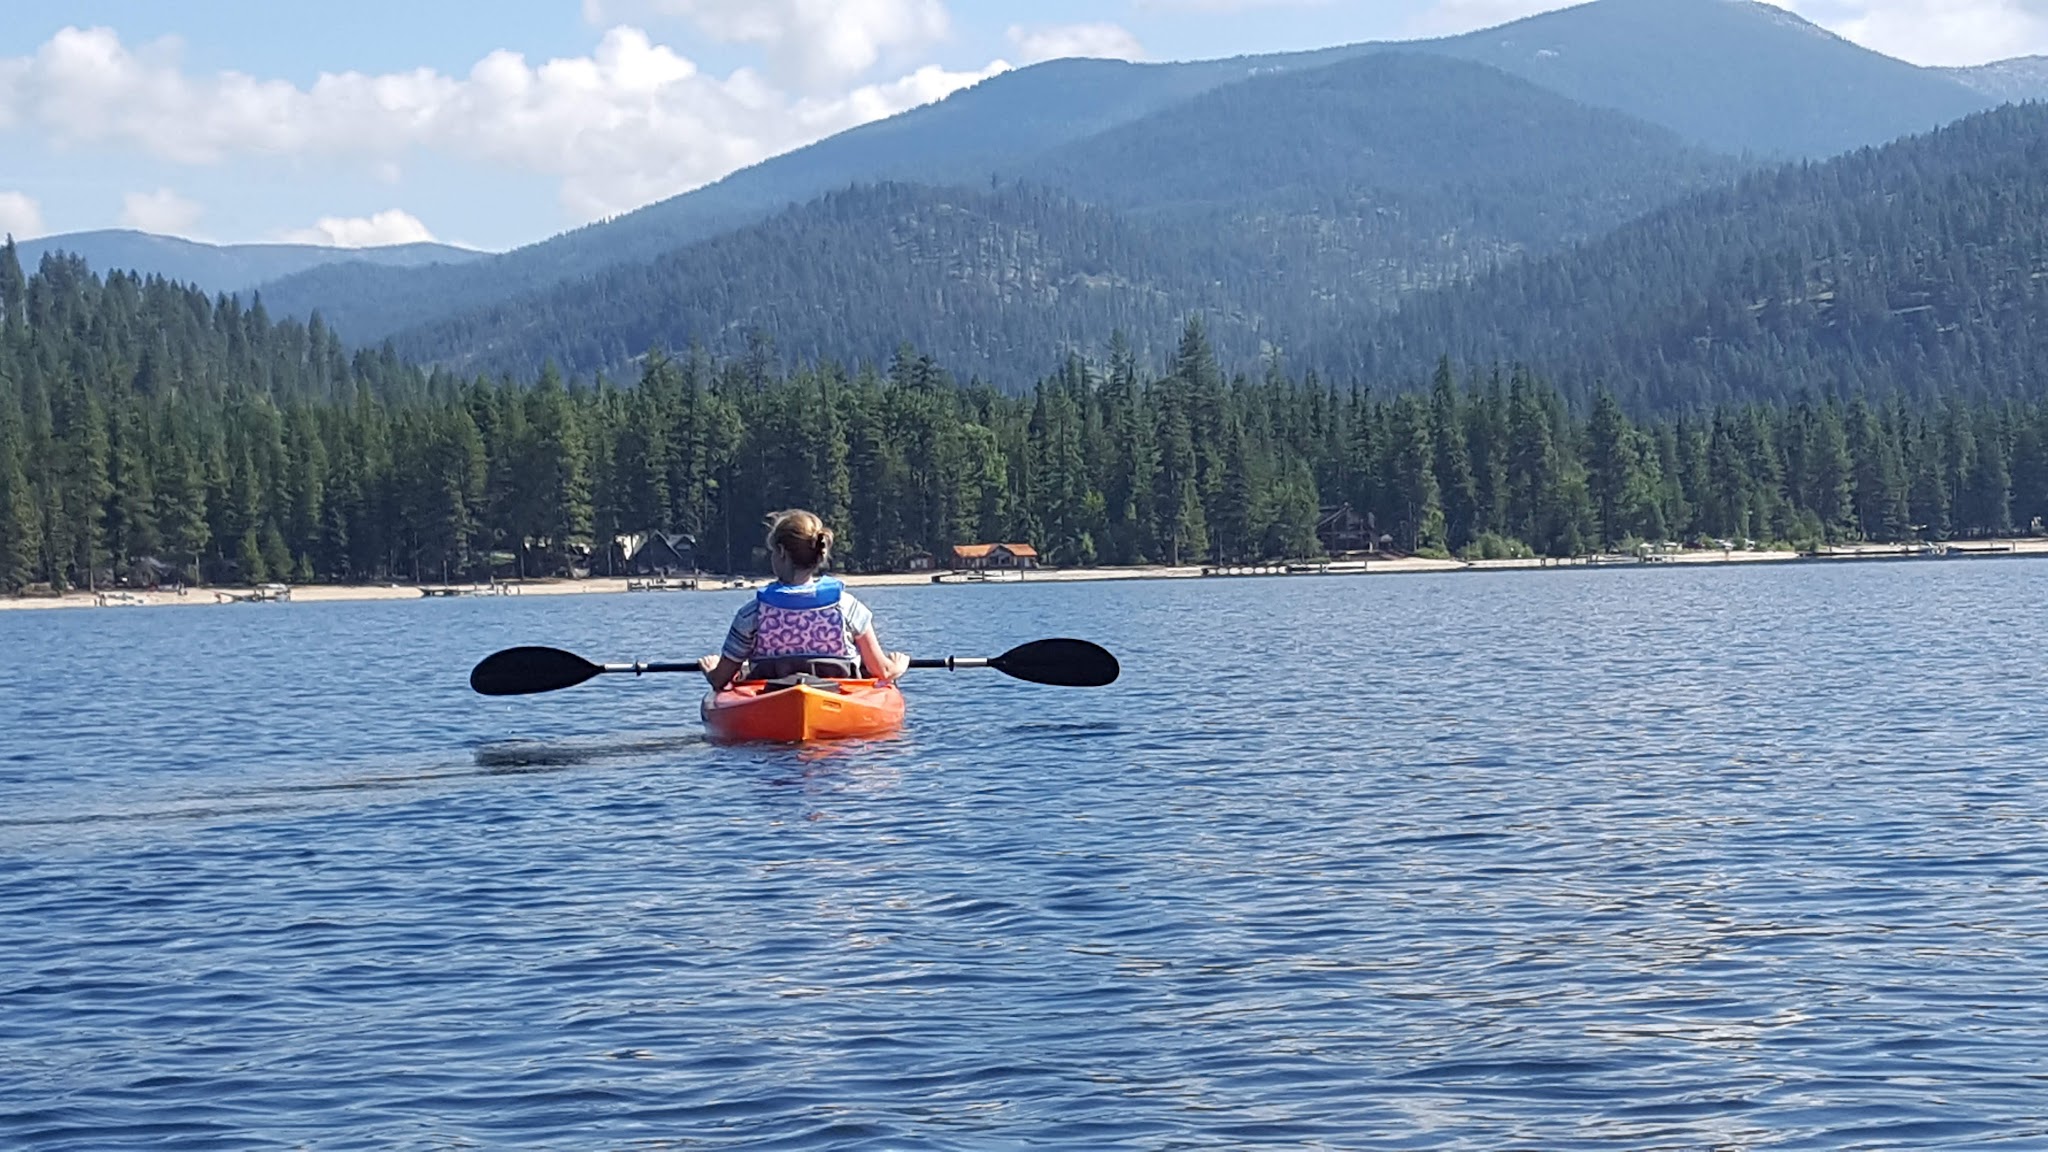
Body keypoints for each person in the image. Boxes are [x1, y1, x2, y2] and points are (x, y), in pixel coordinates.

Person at [700, 510, 911, 691]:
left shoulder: (752, 613)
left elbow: (721, 679)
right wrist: (899, 665)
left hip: (771, 699)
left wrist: (710, 671)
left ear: (781, 552)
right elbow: (882, 671)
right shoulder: (848, 607)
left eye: (773, 551)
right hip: (837, 696)